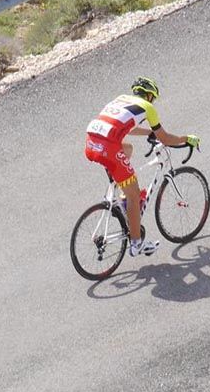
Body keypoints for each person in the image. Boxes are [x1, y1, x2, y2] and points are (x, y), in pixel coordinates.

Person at [84, 77, 200, 257]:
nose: (152, 101)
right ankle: (137, 244)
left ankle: (120, 196)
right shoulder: (147, 107)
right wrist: (186, 139)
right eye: (153, 98)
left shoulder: (121, 99)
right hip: (108, 147)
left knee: (128, 148)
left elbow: (126, 128)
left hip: (92, 143)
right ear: (149, 95)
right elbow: (166, 139)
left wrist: (149, 132)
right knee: (134, 194)